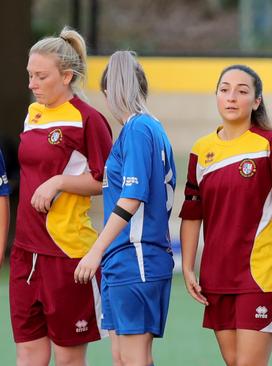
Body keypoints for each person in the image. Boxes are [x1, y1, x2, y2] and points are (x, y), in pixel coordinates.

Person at [179, 64, 272, 366]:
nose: (231, 97)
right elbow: (193, 214)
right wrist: (188, 267)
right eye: (225, 90)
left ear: (256, 101)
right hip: (216, 276)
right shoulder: (201, 150)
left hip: (260, 276)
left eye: (242, 91)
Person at [10, 26, 112, 366]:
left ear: (67, 76)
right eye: (30, 75)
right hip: (25, 253)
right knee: (28, 355)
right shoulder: (32, 114)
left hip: (67, 253)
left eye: (40, 76)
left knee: (68, 358)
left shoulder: (88, 120)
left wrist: (59, 182)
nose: (32, 84)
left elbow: (105, 181)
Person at [74, 50, 176, 366]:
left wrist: (95, 251)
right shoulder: (146, 128)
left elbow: (132, 198)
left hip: (137, 257)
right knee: (121, 356)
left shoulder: (139, 129)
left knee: (134, 358)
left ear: (109, 92)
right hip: (123, 259)